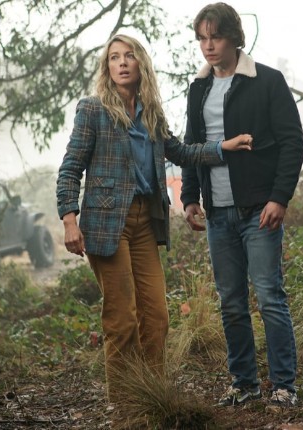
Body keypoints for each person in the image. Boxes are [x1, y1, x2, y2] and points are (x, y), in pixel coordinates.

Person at [55, 33, 252, 403]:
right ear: (107, 67)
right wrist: (69, 219)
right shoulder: (93, 110)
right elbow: (70, 168)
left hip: (147, 221)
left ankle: (151, 398)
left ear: (140, 63)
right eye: (114, 57)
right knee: (122, 320)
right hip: (107, 224)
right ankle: (124, 408)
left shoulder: (151, 113)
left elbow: (181, 153)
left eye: (129, 55)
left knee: (157, 318)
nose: (122, 62)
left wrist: (222, 147)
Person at [181, 2, 303, 408]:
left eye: (215, 37)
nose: (208, 45)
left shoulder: (266, 81)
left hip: (258, 210)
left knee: (269, 297)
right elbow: (191, 147)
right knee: (231, 303)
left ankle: (284, 385)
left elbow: (292, 142)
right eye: (202, 38)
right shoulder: (198, 88)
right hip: (217, 214)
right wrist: (190, 197)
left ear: (234, 38)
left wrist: (279, 198)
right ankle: (244, 384)